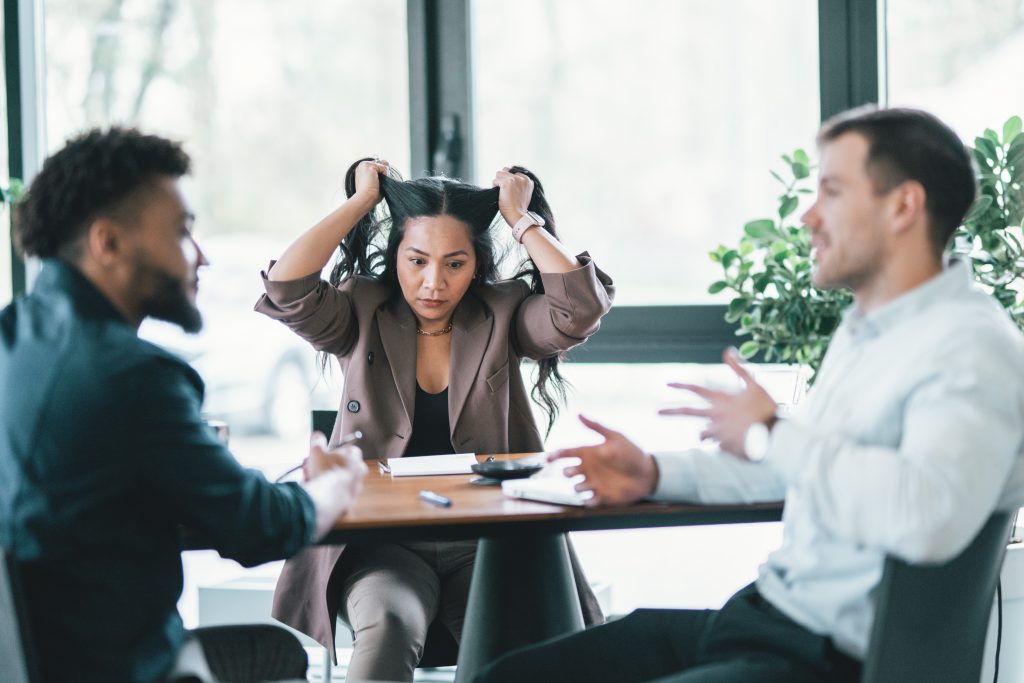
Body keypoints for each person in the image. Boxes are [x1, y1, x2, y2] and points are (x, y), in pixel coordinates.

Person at [473, 106, 1024, 683]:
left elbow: (925, 518)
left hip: (825, 660)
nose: (808, 216)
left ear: (903, 206)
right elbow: (804, 474)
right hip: (760, 618)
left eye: (831, 191)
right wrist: (654, 475)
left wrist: (779, 432)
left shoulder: (969, 350)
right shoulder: (871, 329)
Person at [0, 127, 368, 683]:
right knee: (277, 656)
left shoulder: (16, 338)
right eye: (182, 232)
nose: (202, 256)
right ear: (108, 243)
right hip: (119, 666)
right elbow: (257, 527)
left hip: (32, 658)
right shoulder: (129, 376)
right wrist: (333, 487)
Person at [255, 158, 614, 680]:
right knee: (387, 628)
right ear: (394, 254)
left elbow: (578, 310)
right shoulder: (361, 309)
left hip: (488, 544)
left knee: (516, 657)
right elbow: (287, 288)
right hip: (383, 544)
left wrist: (521, 218)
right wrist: (359, 204)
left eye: (454, 264)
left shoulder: (504, 313)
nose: (433, 283)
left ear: (476, 264)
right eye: (417, 260)